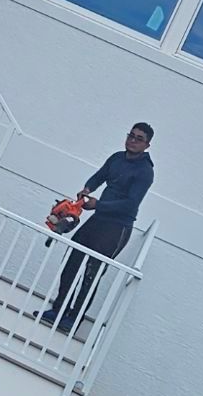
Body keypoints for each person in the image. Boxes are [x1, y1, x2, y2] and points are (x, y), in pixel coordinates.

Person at [44, 123, 154, 332]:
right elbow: (99, 176)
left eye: (139, 138)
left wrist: (98, 205)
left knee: (91, 273)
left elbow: (132, 203)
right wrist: (87, 189)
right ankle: (58, 309)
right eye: (131, 135)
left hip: (117, 227)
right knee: (71, 262)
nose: (132, 140)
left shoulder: (145, 172)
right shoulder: (116, 158)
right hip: (98, 220)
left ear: (147, 145)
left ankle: (73, 320)